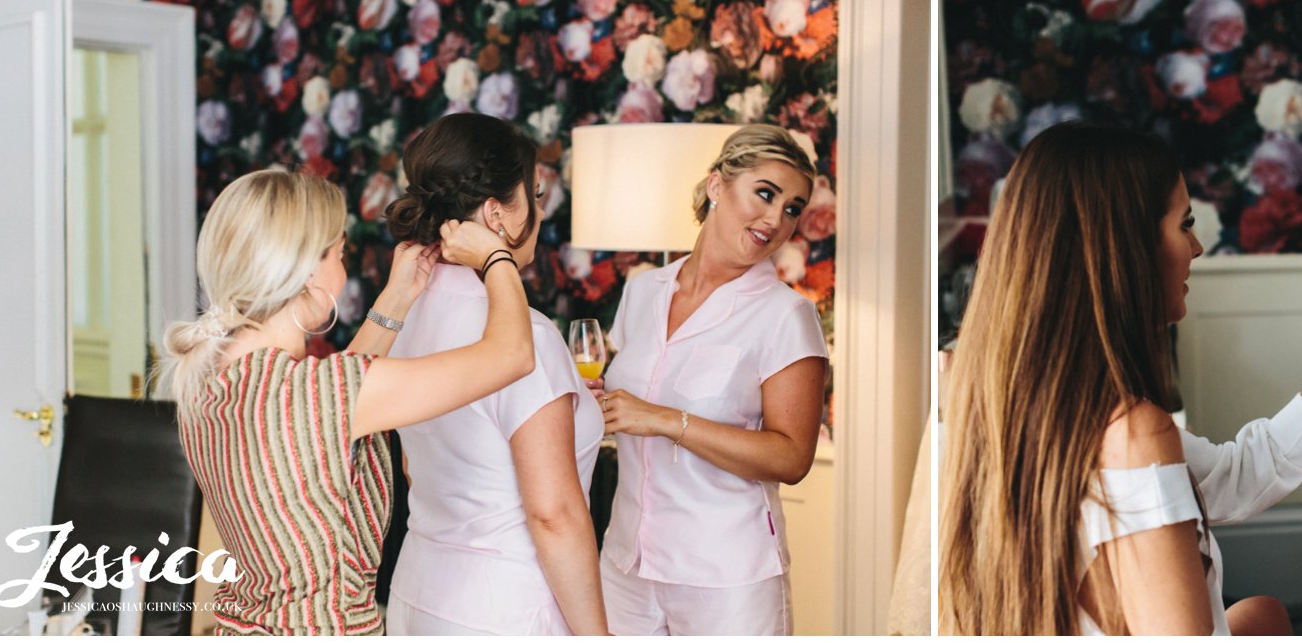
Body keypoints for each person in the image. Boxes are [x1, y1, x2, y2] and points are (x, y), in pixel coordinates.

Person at [937, 122, 1302, 635]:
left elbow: (1239, 477)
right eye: (1184, 224)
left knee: (1262, 614)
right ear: (1123, 245)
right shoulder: (1133, 435)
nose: (1198, 246)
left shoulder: (988, 397)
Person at [155, 169, 532, 635]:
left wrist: (396, 299)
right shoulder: (313, 391)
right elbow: (511, 354)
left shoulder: (212, 380)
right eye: (340, 252)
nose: (343, 267)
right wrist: (497, 256)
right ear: (307, 270)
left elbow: (320, 425)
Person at [586, 124, 828, 635]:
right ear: (718, 185)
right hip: (626, 564)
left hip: (728, 578)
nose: (775, 219)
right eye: (765, 193)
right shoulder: (643, 291)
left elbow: (791, 458)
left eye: (792, 208)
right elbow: (625, 400)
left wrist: (668, 420)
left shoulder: (785, 316)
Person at [378, 113, 608, 636]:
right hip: (506, 607)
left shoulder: (404, 310)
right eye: (536, 193)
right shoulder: (528, 338)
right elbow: (554, 515)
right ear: (495, 213)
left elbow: (420, 465)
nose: (543, 211)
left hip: (419, 592)